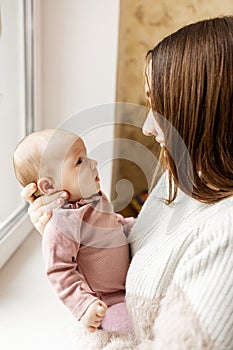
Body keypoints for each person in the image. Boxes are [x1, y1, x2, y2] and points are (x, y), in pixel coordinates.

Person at [21, 16, 233, 349]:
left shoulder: (225, 238)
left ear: (206, 113)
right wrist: (69, 233)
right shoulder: (182, 176)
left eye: (159, 106)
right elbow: (140, 245)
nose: (148, 127)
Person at [13, 128, 134, 336]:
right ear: (49, 185)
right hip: (107, 301)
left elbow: (112, 224)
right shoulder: (62, 225)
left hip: (129, 284)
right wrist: (84, 306)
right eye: (79, 161)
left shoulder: (96, 198)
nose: (93, 163)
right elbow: (59, 271)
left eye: (86, 156)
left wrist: (133, 226)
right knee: (131, 330)